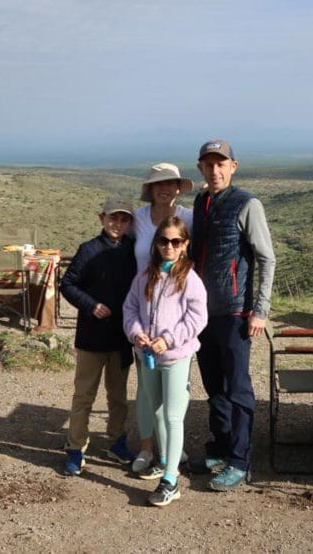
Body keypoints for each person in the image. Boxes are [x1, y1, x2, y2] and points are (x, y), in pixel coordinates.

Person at [189, 139, 276, 491]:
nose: (215, 170)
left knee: (238, 388)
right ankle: (220, 448)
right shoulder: (201, 201)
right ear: (200, 168)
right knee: (214, 386)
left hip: (237, 313)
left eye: (221, 163)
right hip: (202, 313)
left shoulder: (247, 204)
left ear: (233, 166)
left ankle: (240, 460)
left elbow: (266, 258)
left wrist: (260, 311)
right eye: (208, 164)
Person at [123, 217, 207, 506]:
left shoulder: (190, 280)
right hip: (146, 354)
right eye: (163, 241)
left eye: (176, 241)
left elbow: (197, 318)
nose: (169, 246)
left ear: (185, 245)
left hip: (175, 357)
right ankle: (162, 459)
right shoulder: (145, 276)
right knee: (155, 409)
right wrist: (136, 334)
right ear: (156, 243)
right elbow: (130, 308)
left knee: (172, 415)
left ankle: (170, 479)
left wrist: (168, 340)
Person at [59, 198, 138, 476]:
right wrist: (91, 305)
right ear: (101, 218)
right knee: (84, 395)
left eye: (124, 219)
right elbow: (67, 284)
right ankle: (75, 447)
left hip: (121, 336)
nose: (117, 224)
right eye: (113, 218)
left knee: (118, 397)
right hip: (92, 336)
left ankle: (116, 442)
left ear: (130, 223)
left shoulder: (133, 252)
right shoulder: (88, 250)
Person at [129, 163, 195, 474]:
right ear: (150, 189)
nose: (165, 188)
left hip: (175, 320)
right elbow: (115, 235)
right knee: (146, 391)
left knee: (173, 399)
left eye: (170, 183)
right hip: (143, 314)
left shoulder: (189, 217)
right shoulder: (139, 220)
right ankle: (147, 449)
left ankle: (170, 454)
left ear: (179, 187)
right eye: (158, 184)